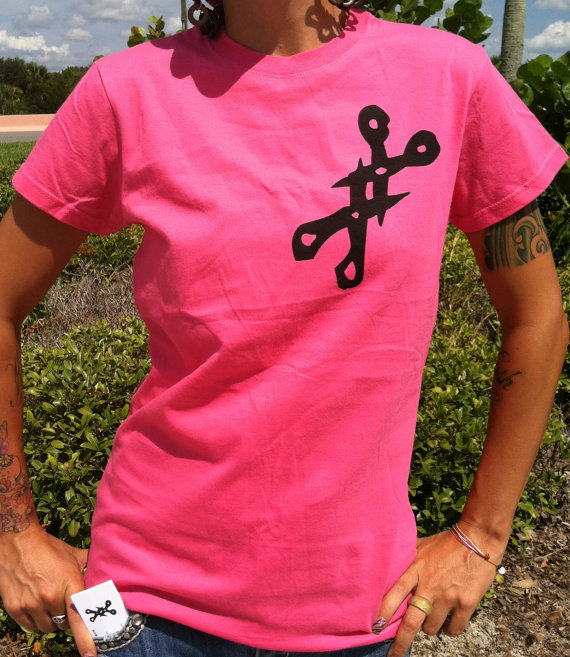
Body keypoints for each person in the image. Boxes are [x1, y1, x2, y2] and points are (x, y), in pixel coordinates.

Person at [0, 1, 567, 656]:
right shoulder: (124, 92)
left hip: (356, 609)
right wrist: (13, 533)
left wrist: (483, 536)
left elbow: (538, 318)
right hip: (142, 609)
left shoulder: (448, 79)